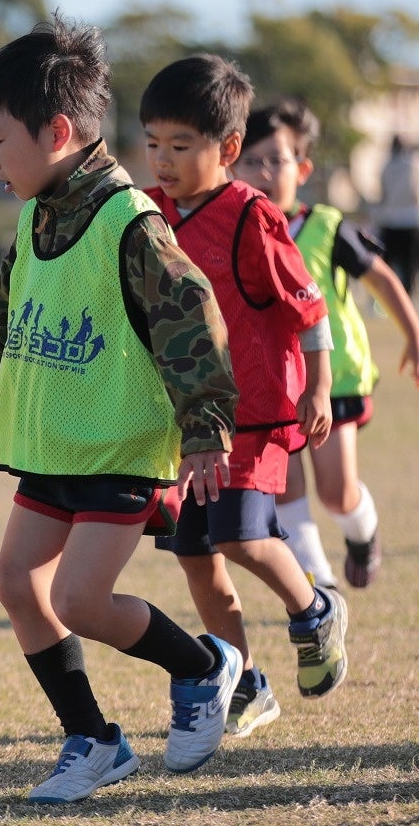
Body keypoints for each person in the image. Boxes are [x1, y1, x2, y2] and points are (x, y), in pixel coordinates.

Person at [0, 17, 242, 804]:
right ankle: (93, 740)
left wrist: (206, 428)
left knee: (77, 600)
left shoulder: (130, 222)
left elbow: (193, 321)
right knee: (14, 582)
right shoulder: (36, 219)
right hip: (57, 446)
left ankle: (205, 669)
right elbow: (11, 328)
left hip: (120, 446)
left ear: (57, 130)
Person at [139, 56, 349, 741]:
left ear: (227, 150)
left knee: (239, 535)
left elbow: (308, 308)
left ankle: (314, 609)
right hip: (188, 423)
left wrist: (319, 386)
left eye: (181, 146)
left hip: (256, 414)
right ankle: (247, 682)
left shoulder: (253, 217)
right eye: (153, 144)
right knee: (198, 556)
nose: (163, 161)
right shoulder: (149, 214)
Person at [236, 99, 419, 592]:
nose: (265, 172)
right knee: (287, 492)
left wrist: (414, 336)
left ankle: (362, 533)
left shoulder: (327, 226)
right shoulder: (234, 230)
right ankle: (323, 590)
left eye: (278, 160)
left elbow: (381, 278)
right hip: (273, 385)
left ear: (304, 168)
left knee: (337, 493)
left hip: (333, 376)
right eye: (252, 160)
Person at [375, 135, 419, 298]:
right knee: (409, 266)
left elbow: (383, 194)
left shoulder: (387, 166)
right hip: (410, 221)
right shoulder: (412, 165)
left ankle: (386, 298)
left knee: (387, 264)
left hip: (390, 220)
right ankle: (407, 298)